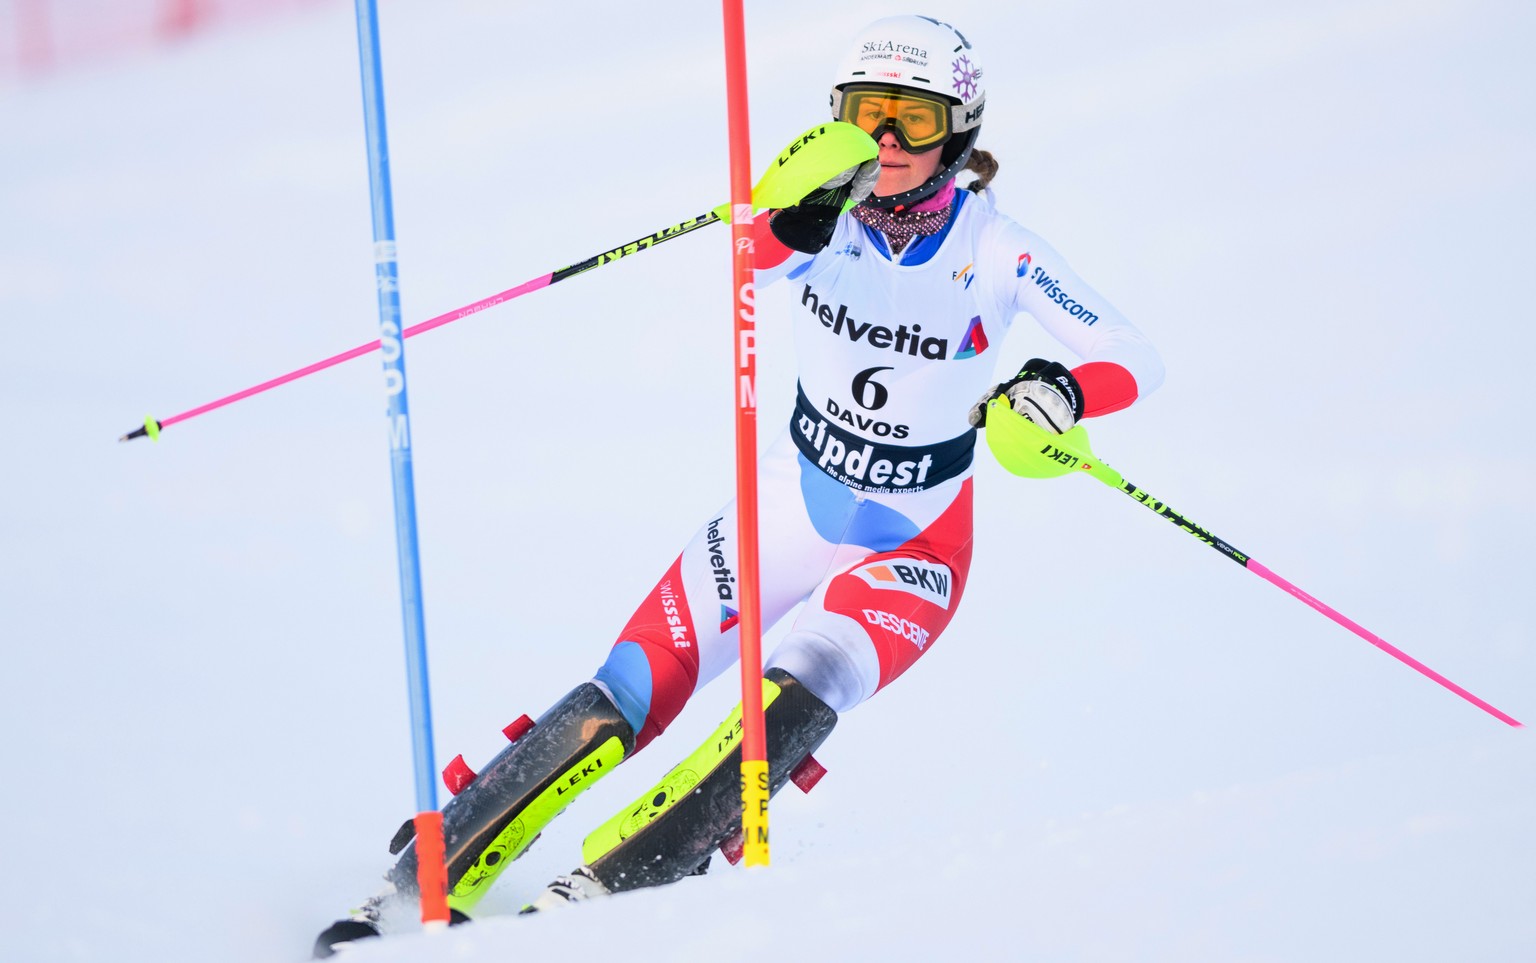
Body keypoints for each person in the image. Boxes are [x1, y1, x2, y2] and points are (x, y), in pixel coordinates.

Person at [315, 13, 1163, 955]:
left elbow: (1133, 353)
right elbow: (766, 245)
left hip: (915, 546)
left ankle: (602, 892)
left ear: (957, 130)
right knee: (629, 687)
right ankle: (415, 886)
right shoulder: (822, 217)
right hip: (790, 507)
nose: (884, 143)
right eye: (864, 115)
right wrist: (785, 215)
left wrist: (1059, 387)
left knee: (784, 709)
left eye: (912, 121)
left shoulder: (998, 249)